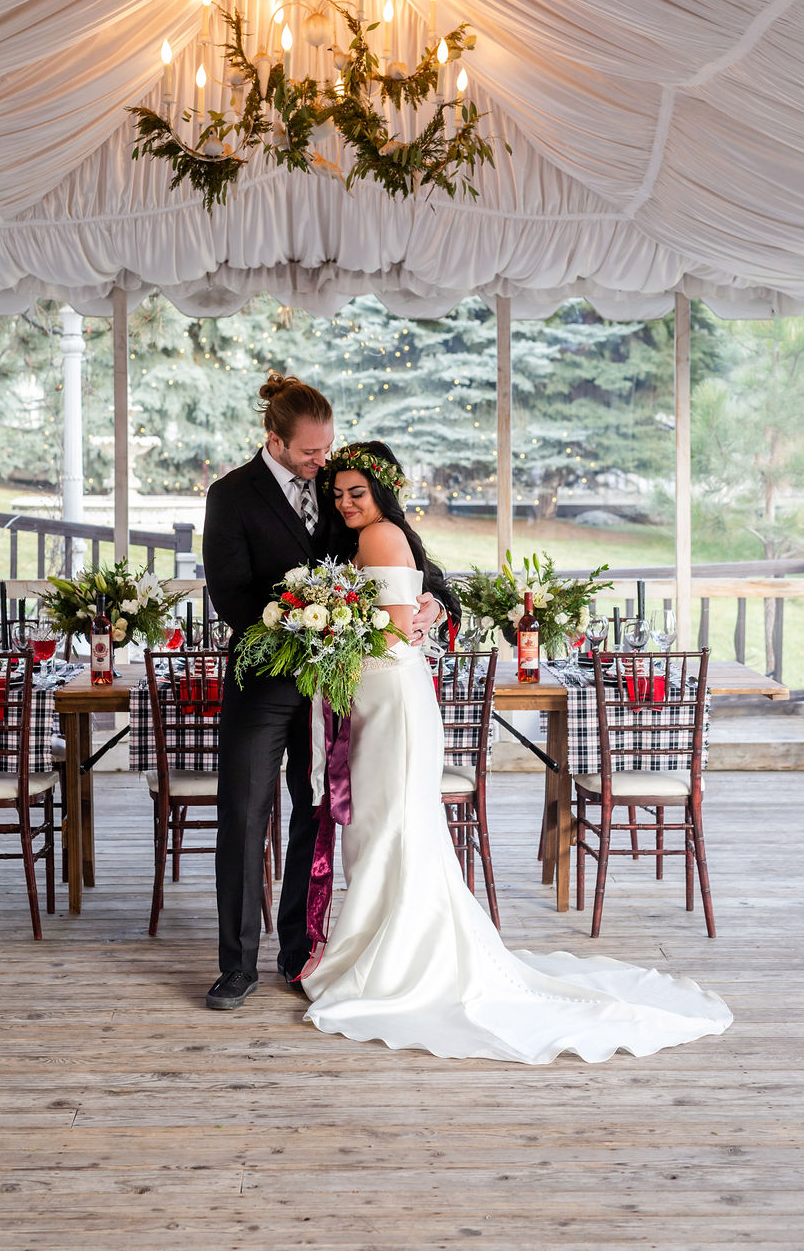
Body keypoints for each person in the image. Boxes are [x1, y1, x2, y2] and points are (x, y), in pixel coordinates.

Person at [300, 441, 733, 1063]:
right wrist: (412, 611)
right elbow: (411, 615)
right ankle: (380, 946)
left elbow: (391, 627)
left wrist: (339, 617)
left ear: (380, 493)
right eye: (337, 495)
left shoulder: (378, 538)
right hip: (382, 690)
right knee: (381, 823)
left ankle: (391, 961)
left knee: (389, 822)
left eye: (355, 493)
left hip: (390, 691)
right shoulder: (379, 538)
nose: (344, 503)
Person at [201, 378, 442, 1010]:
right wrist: (309, 614)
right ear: (273, 440)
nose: (320, 462)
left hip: (335, 694)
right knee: (244, 819)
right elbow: (228, 596)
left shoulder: (347, 489)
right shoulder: (230, 495)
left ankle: (297, 953)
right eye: (309, 452)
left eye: (326, 449)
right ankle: (235, 966)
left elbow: (418, 562)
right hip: (263, 687)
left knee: (314, 820)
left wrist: (433, 602)